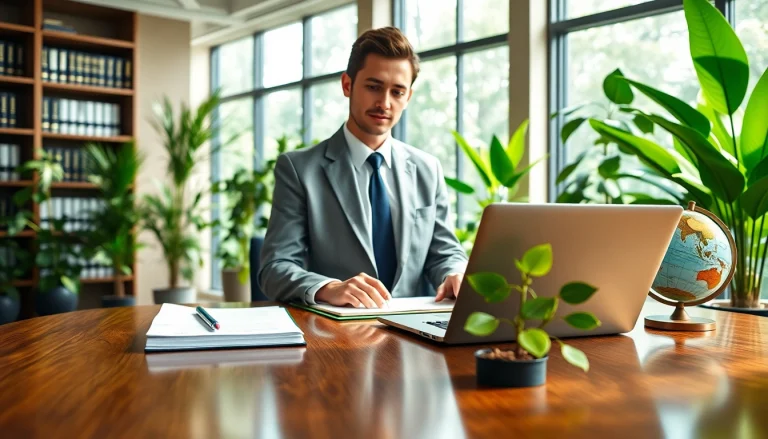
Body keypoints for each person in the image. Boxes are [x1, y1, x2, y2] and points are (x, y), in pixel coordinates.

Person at [258, 26, 467, 308]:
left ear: (408, 97)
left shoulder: (428, 169)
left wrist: (454, 272)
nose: (384, 103)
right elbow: (275, 268)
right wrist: (328, 288)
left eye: (397, 91)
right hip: (337, 336)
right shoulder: (299, 169)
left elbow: (443, 252)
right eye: (373, 87)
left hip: (415, 332)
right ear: (347, 85)